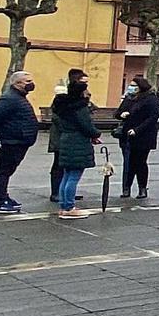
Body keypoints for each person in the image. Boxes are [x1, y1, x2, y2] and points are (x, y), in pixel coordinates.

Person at [0, 71, 38, 213]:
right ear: (17, 83)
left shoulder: (18, 98)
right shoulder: (9, 99)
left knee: (7, 171)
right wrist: (3, 136)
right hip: (11, 142)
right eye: (27, 81)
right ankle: (0, 200)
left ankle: (3, 196)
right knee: (4, 171)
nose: (30, 84)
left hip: (19, 141)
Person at [52, 80, 102, 219]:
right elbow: (86, 125)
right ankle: (69, 207)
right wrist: (96, 134)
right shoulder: (80, 108)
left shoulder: (63, 106)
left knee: (67, 175)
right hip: (78, 142)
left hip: (66, 139)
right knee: (74, 176)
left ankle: (64, 205)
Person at [117, 77, 159, 198]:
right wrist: (121, 114)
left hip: (143, 137)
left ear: (141, 87)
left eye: (134, 85)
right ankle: (126, 188)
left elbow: (152, 117)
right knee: (128, 163)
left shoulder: (150, 99)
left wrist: (137, 130)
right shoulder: (128, 99)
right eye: (130, 85)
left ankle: (142, 188)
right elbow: (117, 113)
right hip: (127, 136)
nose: (131, 88)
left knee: (140, 163)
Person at [48, 68, 87, 203]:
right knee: (59, 165)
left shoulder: (79, 96)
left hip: (68, 135)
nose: (86, 86)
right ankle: (57, 192)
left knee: (67, 167)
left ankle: (66, 193)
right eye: (83, 82)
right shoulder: (63, 96)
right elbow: (58, 116)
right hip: (62, 136)